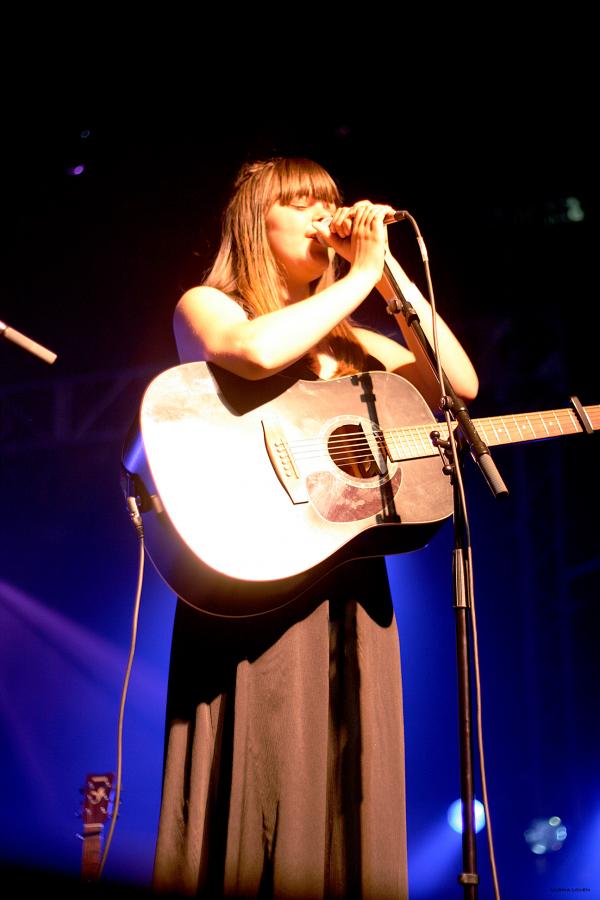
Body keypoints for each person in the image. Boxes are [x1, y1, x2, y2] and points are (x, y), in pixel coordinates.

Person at [152, 157, 479, 899]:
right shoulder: (208, 304)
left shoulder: (359, 342)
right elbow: (257, 353)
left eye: (327, 203)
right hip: (248, 579)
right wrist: (359, 276)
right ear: (253, 223)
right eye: (300, 204)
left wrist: (387, 273)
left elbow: (458, 387)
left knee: (346, 781)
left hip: (349, 588)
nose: (321, 216)